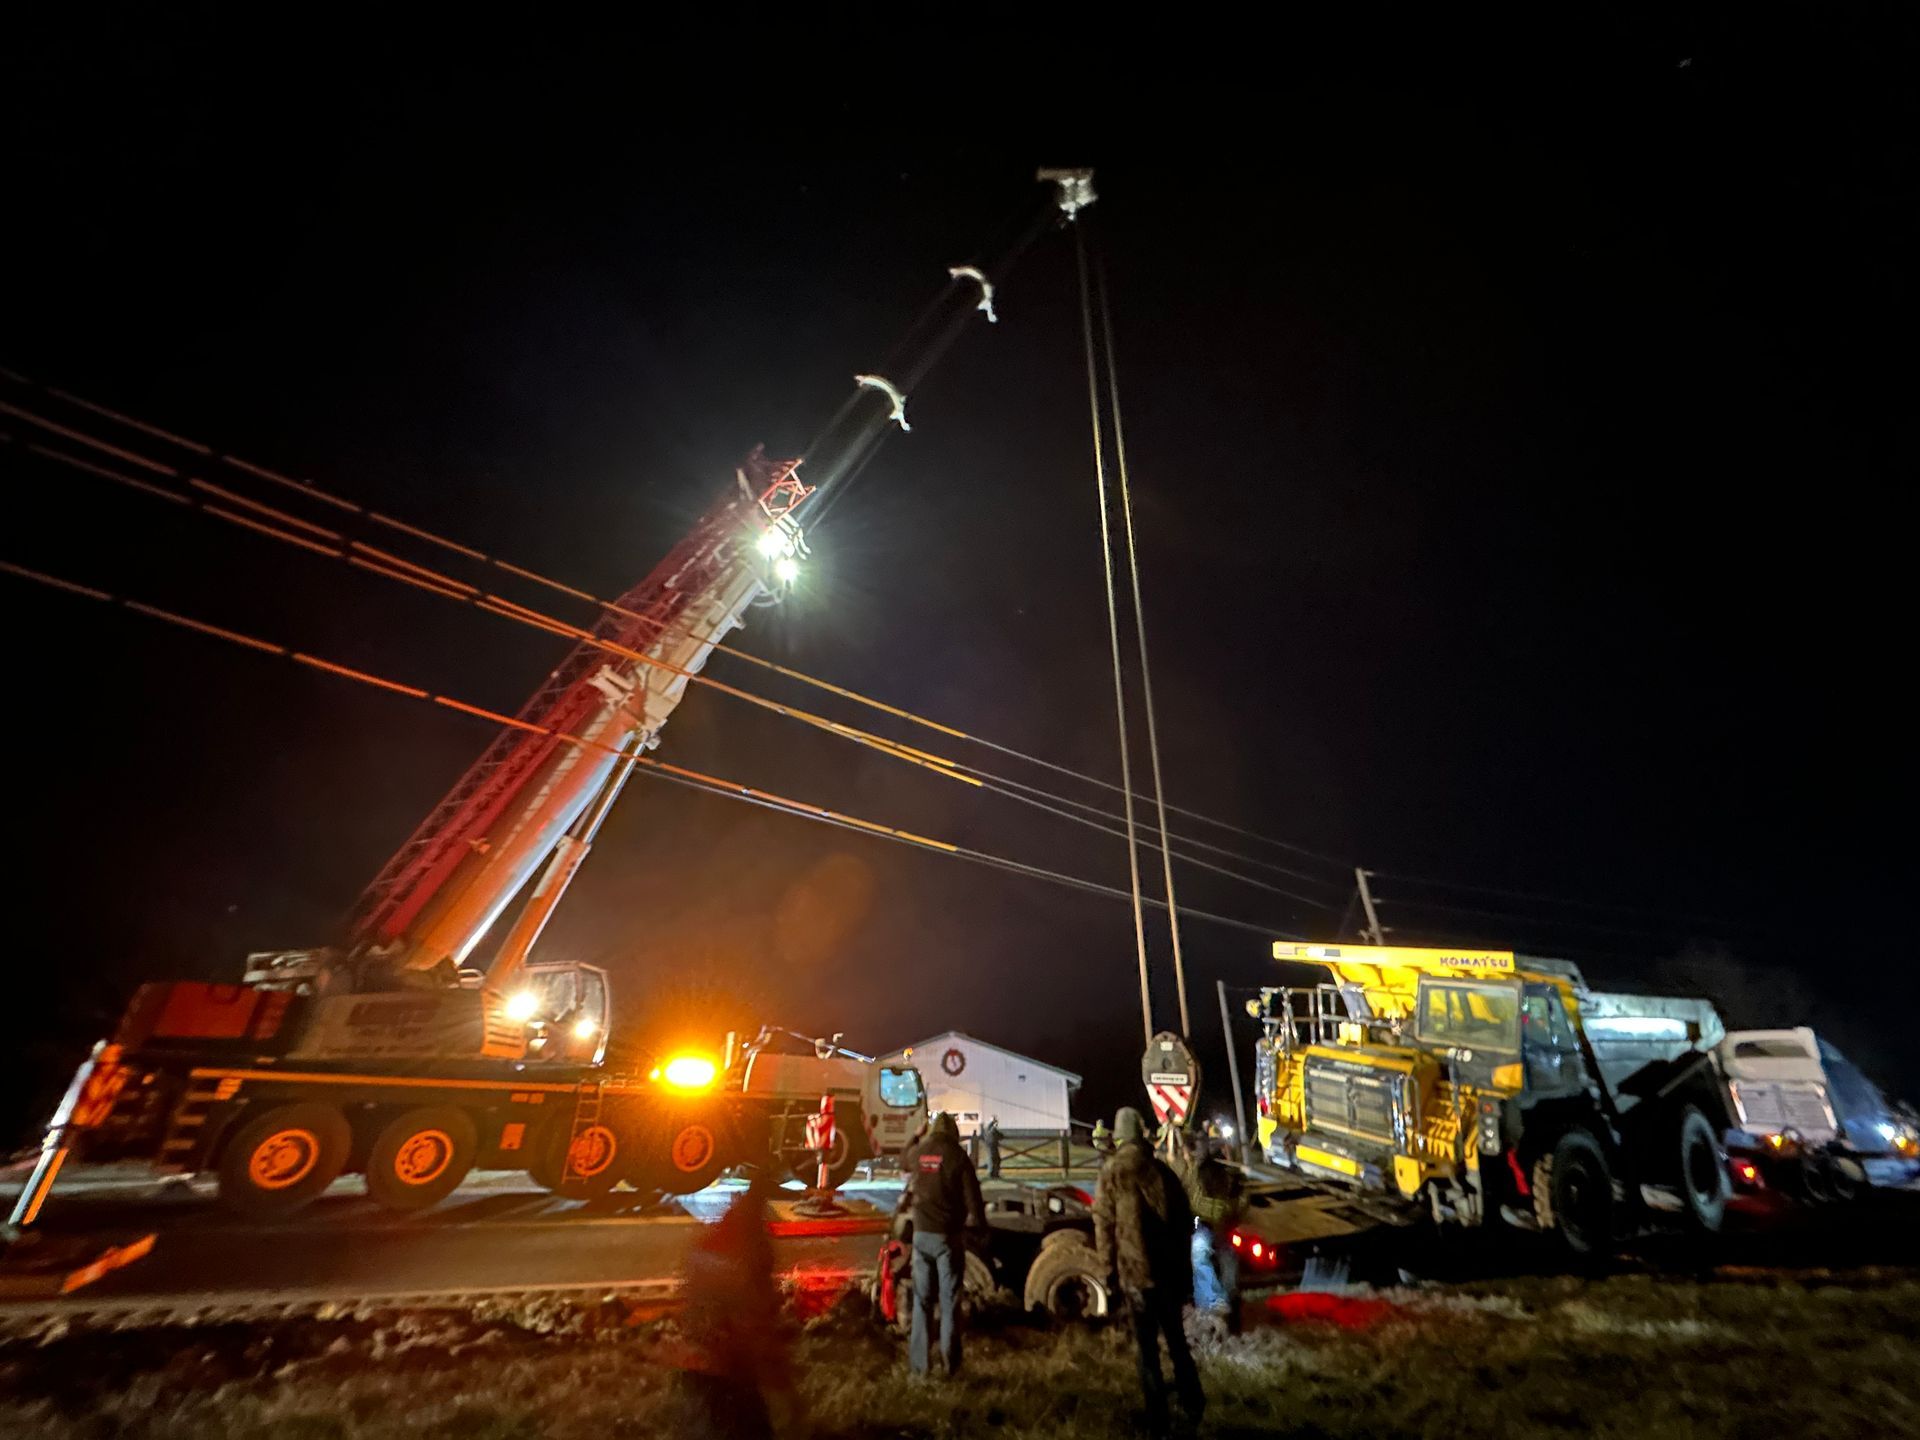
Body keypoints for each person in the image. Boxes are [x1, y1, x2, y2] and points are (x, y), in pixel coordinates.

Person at [1095, 1107, 1204, 1437]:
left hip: (1135, 1275)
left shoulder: (1112, 1173)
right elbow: (1186, 1222)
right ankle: (1193, 1402)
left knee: (1147, 1349)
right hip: (1168, 1273)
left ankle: (1158, 1419)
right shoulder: (1162, 1172)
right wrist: (1184, 1273)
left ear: (1118, 1137)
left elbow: (1103, 1224)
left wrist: (1107, 1272)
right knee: (1176, 1340)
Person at [672, 1172, 805, 1438]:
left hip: (709, 1354)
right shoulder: (751, 1248)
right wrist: (780, 1379)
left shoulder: (720, 1237)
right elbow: (755, 1314)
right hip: (730, 1359)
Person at [895, 1110, 985, 1377]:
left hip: (921, 1236)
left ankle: (919, 1369)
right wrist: (981, 1230)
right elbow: (974, 1201)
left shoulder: (920, 1152)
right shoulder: (958, 1157)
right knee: (949, 1301)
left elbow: (902, 1160)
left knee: (922, 1301)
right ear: (953, 1132)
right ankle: (950, 1366)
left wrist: (915, 1136)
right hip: (947, 1238)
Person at [1173, 1127, 1246, 1337]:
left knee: (1216, 1256)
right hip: (1204, 1222)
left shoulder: (1226, 1173)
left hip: (1219, 1223)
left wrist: (1230, 1214)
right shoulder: (1197, 1171)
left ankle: (1224, 1301)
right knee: (1202, 1251)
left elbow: (1240, 1198)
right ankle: (1217, 1301)